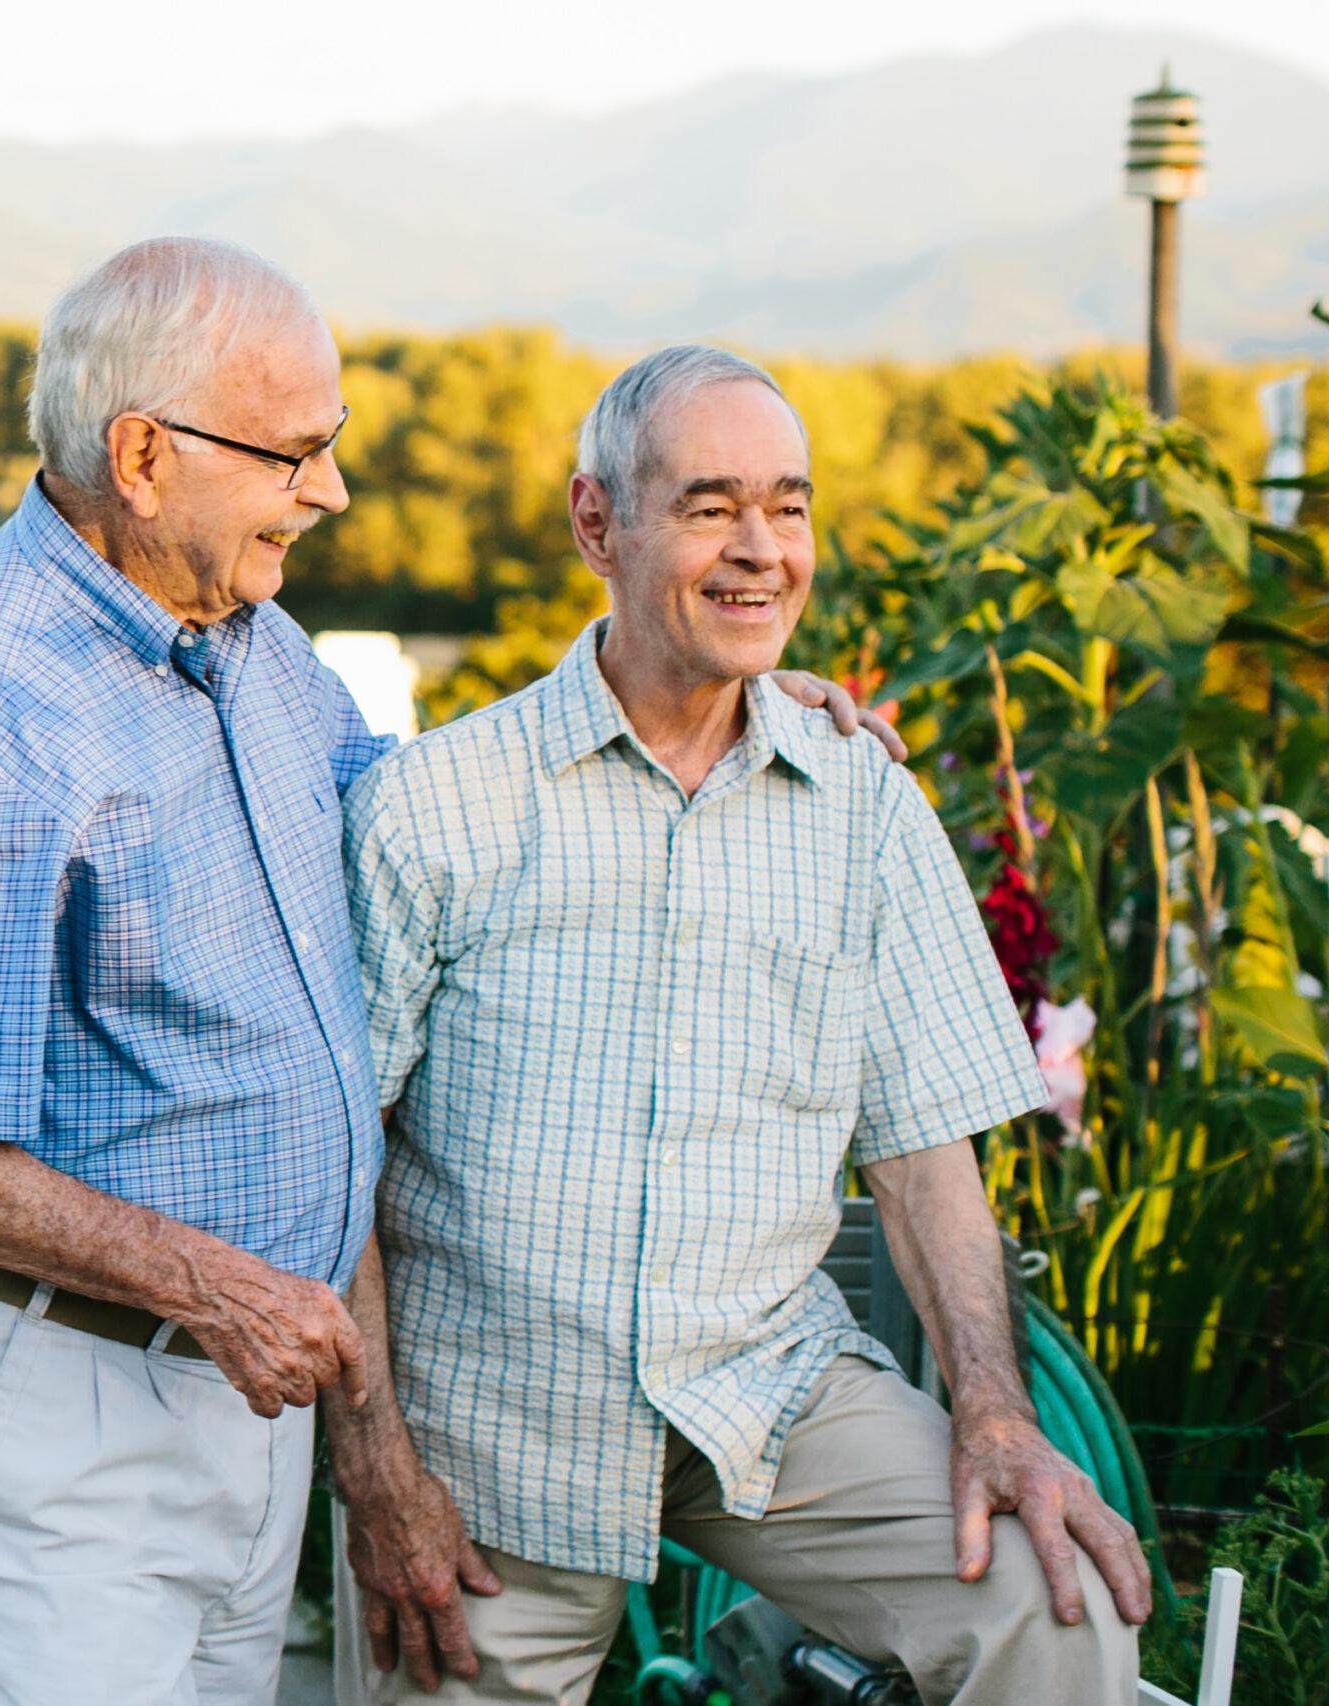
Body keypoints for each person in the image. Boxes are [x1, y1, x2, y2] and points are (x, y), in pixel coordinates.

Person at [0, 246, 892, 1706]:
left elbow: (443, 817)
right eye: (297, 452)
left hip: (226, 1381)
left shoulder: (253, 648)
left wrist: (723, 691)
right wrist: (215, 1283)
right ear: (141, 455)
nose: (331, 493)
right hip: (48, 1379)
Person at [331, 346, 1150, 1703]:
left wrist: (995, 1413)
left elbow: (924, 1147)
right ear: (599, 523)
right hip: (492, 1426)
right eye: (711, 506)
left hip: (768, 1393)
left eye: (790, 506)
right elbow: (334, 1162)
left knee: (1053, 1611)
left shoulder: (864, 805)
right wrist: (374, 1471)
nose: (759, 550)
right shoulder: (438, 806)